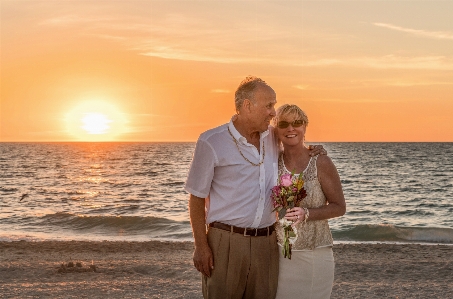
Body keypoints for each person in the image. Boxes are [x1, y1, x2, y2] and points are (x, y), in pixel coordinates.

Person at [185, 77, 326, 299]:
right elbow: (196, 198)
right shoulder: (211, 141)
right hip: (226, 242)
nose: (273, 112)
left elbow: (294, 143)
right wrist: (201, 247)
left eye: (274, 105)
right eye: (268, 105)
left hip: (267, 244)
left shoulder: (272, 136)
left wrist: (314, 150)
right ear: (247, 106)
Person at [273, 104, 346, 299]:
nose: (291, 128)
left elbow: (339, 207)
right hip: (280, 255)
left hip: (315, 254)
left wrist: (307, 214)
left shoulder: (320, 162)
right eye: (284, 123)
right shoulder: (272, 162)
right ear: (275, 129)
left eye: (297, 123)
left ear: (305, 127)